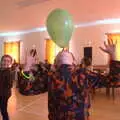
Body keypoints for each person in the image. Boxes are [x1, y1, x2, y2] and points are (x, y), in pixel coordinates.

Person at [48, 41, 120, 120]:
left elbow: (32, 86)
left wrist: (33, 67)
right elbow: (114, 80)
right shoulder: (83, 74)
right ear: (74, 62)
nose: (64, 50)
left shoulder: (50, 76)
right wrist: (113, 55)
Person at [0, 55, 13, 120]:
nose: (5, 62)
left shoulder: (8, 72)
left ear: (10, 63)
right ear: (1, 61)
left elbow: (10, 85)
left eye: (8, 61)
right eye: (4, 60)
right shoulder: (1, 70)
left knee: (3, 110)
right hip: (1, 93)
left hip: (4, 94)